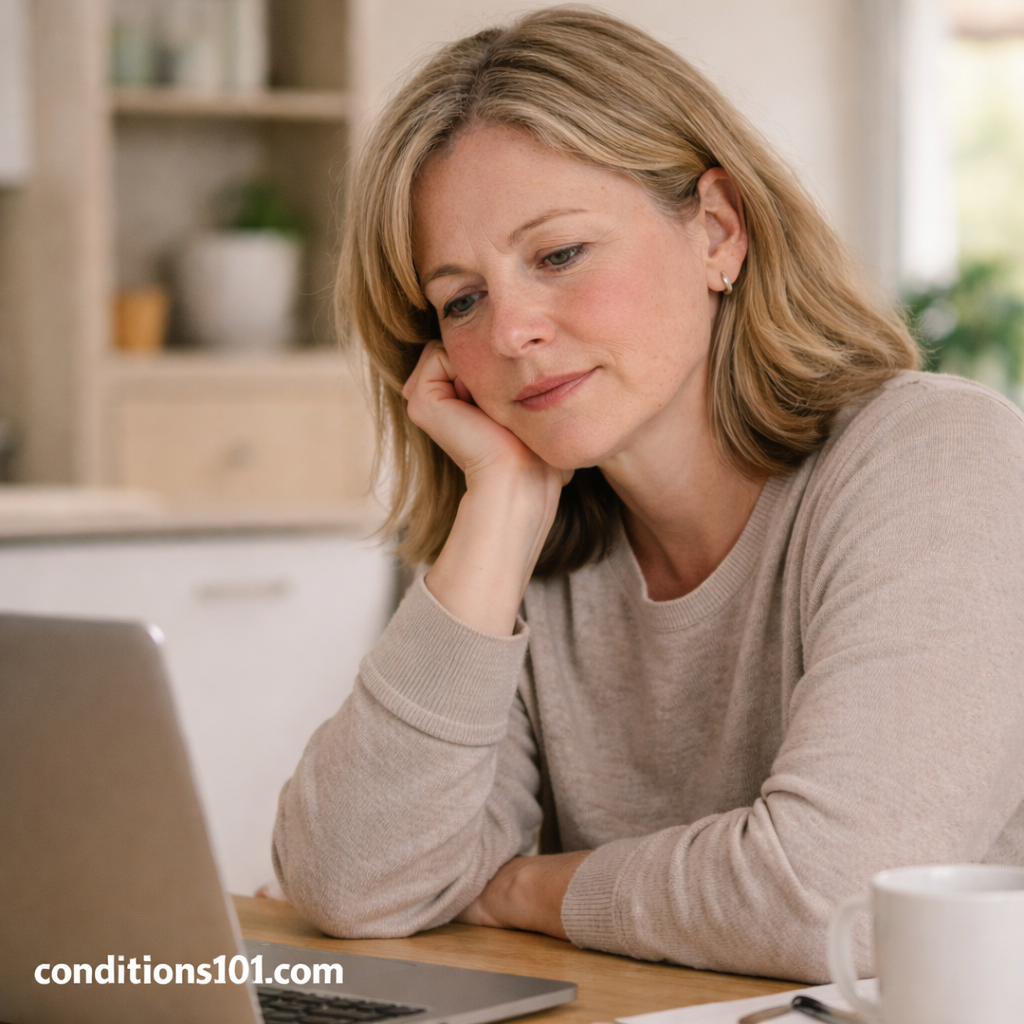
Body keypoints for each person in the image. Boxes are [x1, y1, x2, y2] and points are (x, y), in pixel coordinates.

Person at [272, 7, 1024, 982]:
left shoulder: (941, 459)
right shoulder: (515, 540)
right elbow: (348, 882)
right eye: (460, 298)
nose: (509, 332)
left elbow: (832, 899)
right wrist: (499, 507)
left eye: (557, 255)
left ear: (715, 230)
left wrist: (515, 887)